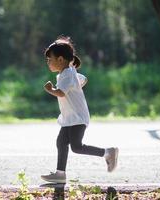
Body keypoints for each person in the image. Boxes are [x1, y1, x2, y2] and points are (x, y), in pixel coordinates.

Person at [41, 36, 119, 184]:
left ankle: (109, 152)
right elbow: (84, 79)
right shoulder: (68, 73)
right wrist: (76, 86)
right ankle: (60, 173)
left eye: (50, 59)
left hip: (77, 117)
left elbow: (61, 93)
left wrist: (50, 89)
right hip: (70, 117)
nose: (48, 63)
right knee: (61, 142)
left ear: (60, 59)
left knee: (76, 147)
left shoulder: (67, 74)